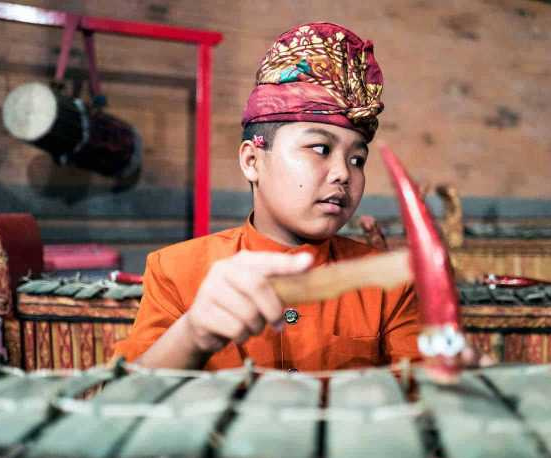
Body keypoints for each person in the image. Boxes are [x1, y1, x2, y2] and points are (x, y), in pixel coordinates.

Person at [113, 22, 420, 371]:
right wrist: (194, 332)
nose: (343, 173)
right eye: (320, 148)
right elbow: (119, 402)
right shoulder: (177, 271)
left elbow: (426, 393)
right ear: (252, 161)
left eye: (357, 159)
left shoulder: (384, 282)